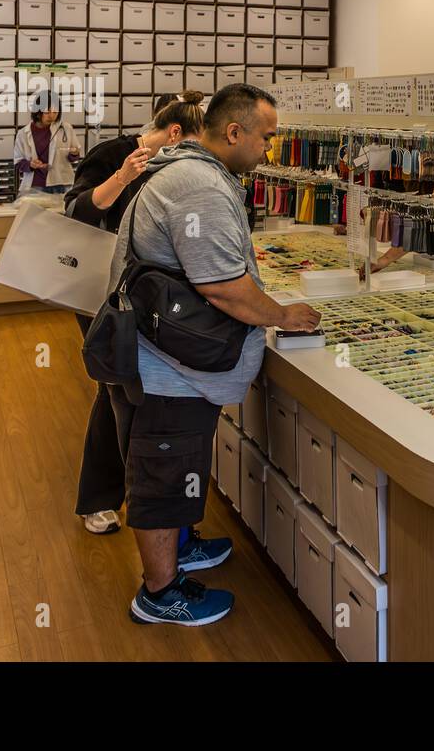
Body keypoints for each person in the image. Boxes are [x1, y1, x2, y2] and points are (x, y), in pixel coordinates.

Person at [107, 83, 321, 626]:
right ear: (234, 132)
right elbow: (223, 286)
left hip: (165, 357)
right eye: (266, 138)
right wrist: (282, 315)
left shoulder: (184, 170)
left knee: (179, 464)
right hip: (167, 370)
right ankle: (160, 593)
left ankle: (178, 549)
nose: (269, 150)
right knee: (162, 473)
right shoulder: (199, 186)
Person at [65, 91, 205, 536]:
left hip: (149, 295)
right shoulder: (113, 154)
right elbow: (78, 210)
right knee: (115, 390)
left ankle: (147, 505)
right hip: (103, 292)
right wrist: (123, 177)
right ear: (175, 133)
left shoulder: (171, 168)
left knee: (133, 393)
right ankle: (105, 499)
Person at [14, 90, 81, 194]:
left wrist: (74, 153)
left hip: (61, 183)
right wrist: (31, 164)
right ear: (37, 112)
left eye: (55, 112)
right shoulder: (23, 133)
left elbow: (73, 157)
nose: (51, 116)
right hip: (35, 185)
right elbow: (18, 163)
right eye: (47, 112)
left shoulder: (66, 128)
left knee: (61, 210)